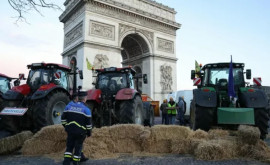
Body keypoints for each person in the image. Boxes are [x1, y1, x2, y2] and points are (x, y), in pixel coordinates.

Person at [61, 91, 92, 165]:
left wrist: (67, 127)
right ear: (85, 99)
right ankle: (76, 162)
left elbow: (63, 120)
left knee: (69, 147)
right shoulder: (86, 110)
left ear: (78, 98)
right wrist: (89, 132)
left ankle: (66, 162)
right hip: (80, 133)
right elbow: (88, 125)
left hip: (70, 131)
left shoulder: (68, 107)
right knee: (78, 149)